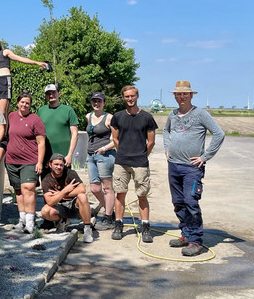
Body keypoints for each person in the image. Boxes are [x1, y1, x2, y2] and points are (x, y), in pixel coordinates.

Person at [163, 81, 225, 257]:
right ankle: (185, 234)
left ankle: (196, 241)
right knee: (178, 202)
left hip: (192, 168)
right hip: (173, 165)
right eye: (178, 94)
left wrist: (205, 157)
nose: (181, 97)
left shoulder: (200, 114)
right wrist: (167, 147)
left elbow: (219, 134)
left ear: (191, 95)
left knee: (191, 202)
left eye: (184, 94)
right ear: (174, 96)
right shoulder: (172, 114)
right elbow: (166, 132)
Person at [110, 85, 158, 243]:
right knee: (120, 194)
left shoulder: (147, 117)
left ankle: (145, 227)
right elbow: (115, 139)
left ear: (137, 96)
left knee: (142, 195)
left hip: (140, 163)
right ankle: (118, 225)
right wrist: (122, 152)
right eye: (127, 96)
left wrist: (142, 156)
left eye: (132, 96)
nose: (130, 99)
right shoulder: (117, 117)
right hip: (121, 162)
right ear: (123, 98)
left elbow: (151, 142)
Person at [5, 91, 46, 233]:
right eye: (22, 102)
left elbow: (41, 143)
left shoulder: (35, 120)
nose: (24, 105)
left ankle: (30, 223)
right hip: (11, 160)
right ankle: (22, 221)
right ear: (17, 103)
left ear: (30, 104)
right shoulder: (10, 116)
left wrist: (39, 162)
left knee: (28, 189)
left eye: (27, 103)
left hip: (29, 160)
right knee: (18, 191)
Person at [0, 32, 48, 117]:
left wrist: (36, 62)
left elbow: (19, 58)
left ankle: (3, 130)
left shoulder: (4, 52)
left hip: (3, 81)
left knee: (2, 112)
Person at [40, 153, 94, 243]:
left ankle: (87, 228)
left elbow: (82, 189)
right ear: (50, 164)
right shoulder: (46, 180)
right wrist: (65, 191)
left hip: (74, 204)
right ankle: (62, 221)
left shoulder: (70, 173)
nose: (59, 167)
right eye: (56, 164)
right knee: (45, 211)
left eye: (61, 165)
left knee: (82, 196)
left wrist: (61, 195)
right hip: (60, 206)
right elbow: (49, 201)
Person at [84, 92, 116, 230]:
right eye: (94, 101)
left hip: (105, 155)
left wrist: (104, 148)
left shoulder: (109, 118)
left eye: (99, 101)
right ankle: (110, 210)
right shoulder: (88, 116)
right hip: (90, 155)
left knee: (107, 188)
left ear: (104, 103)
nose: (96, 104)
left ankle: (108, 217)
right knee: (94, 188)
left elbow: (116, 140)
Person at [37, 84, 79, 168]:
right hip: (46, 156)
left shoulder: (68, 110)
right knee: (46, 180)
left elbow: (75, 134)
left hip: (63, 157)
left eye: (53, 92)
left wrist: (69, 155)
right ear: (45, 95)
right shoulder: (41, 110)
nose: (51, 95)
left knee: (64, 181)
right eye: (48, 93)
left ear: (59, 94)